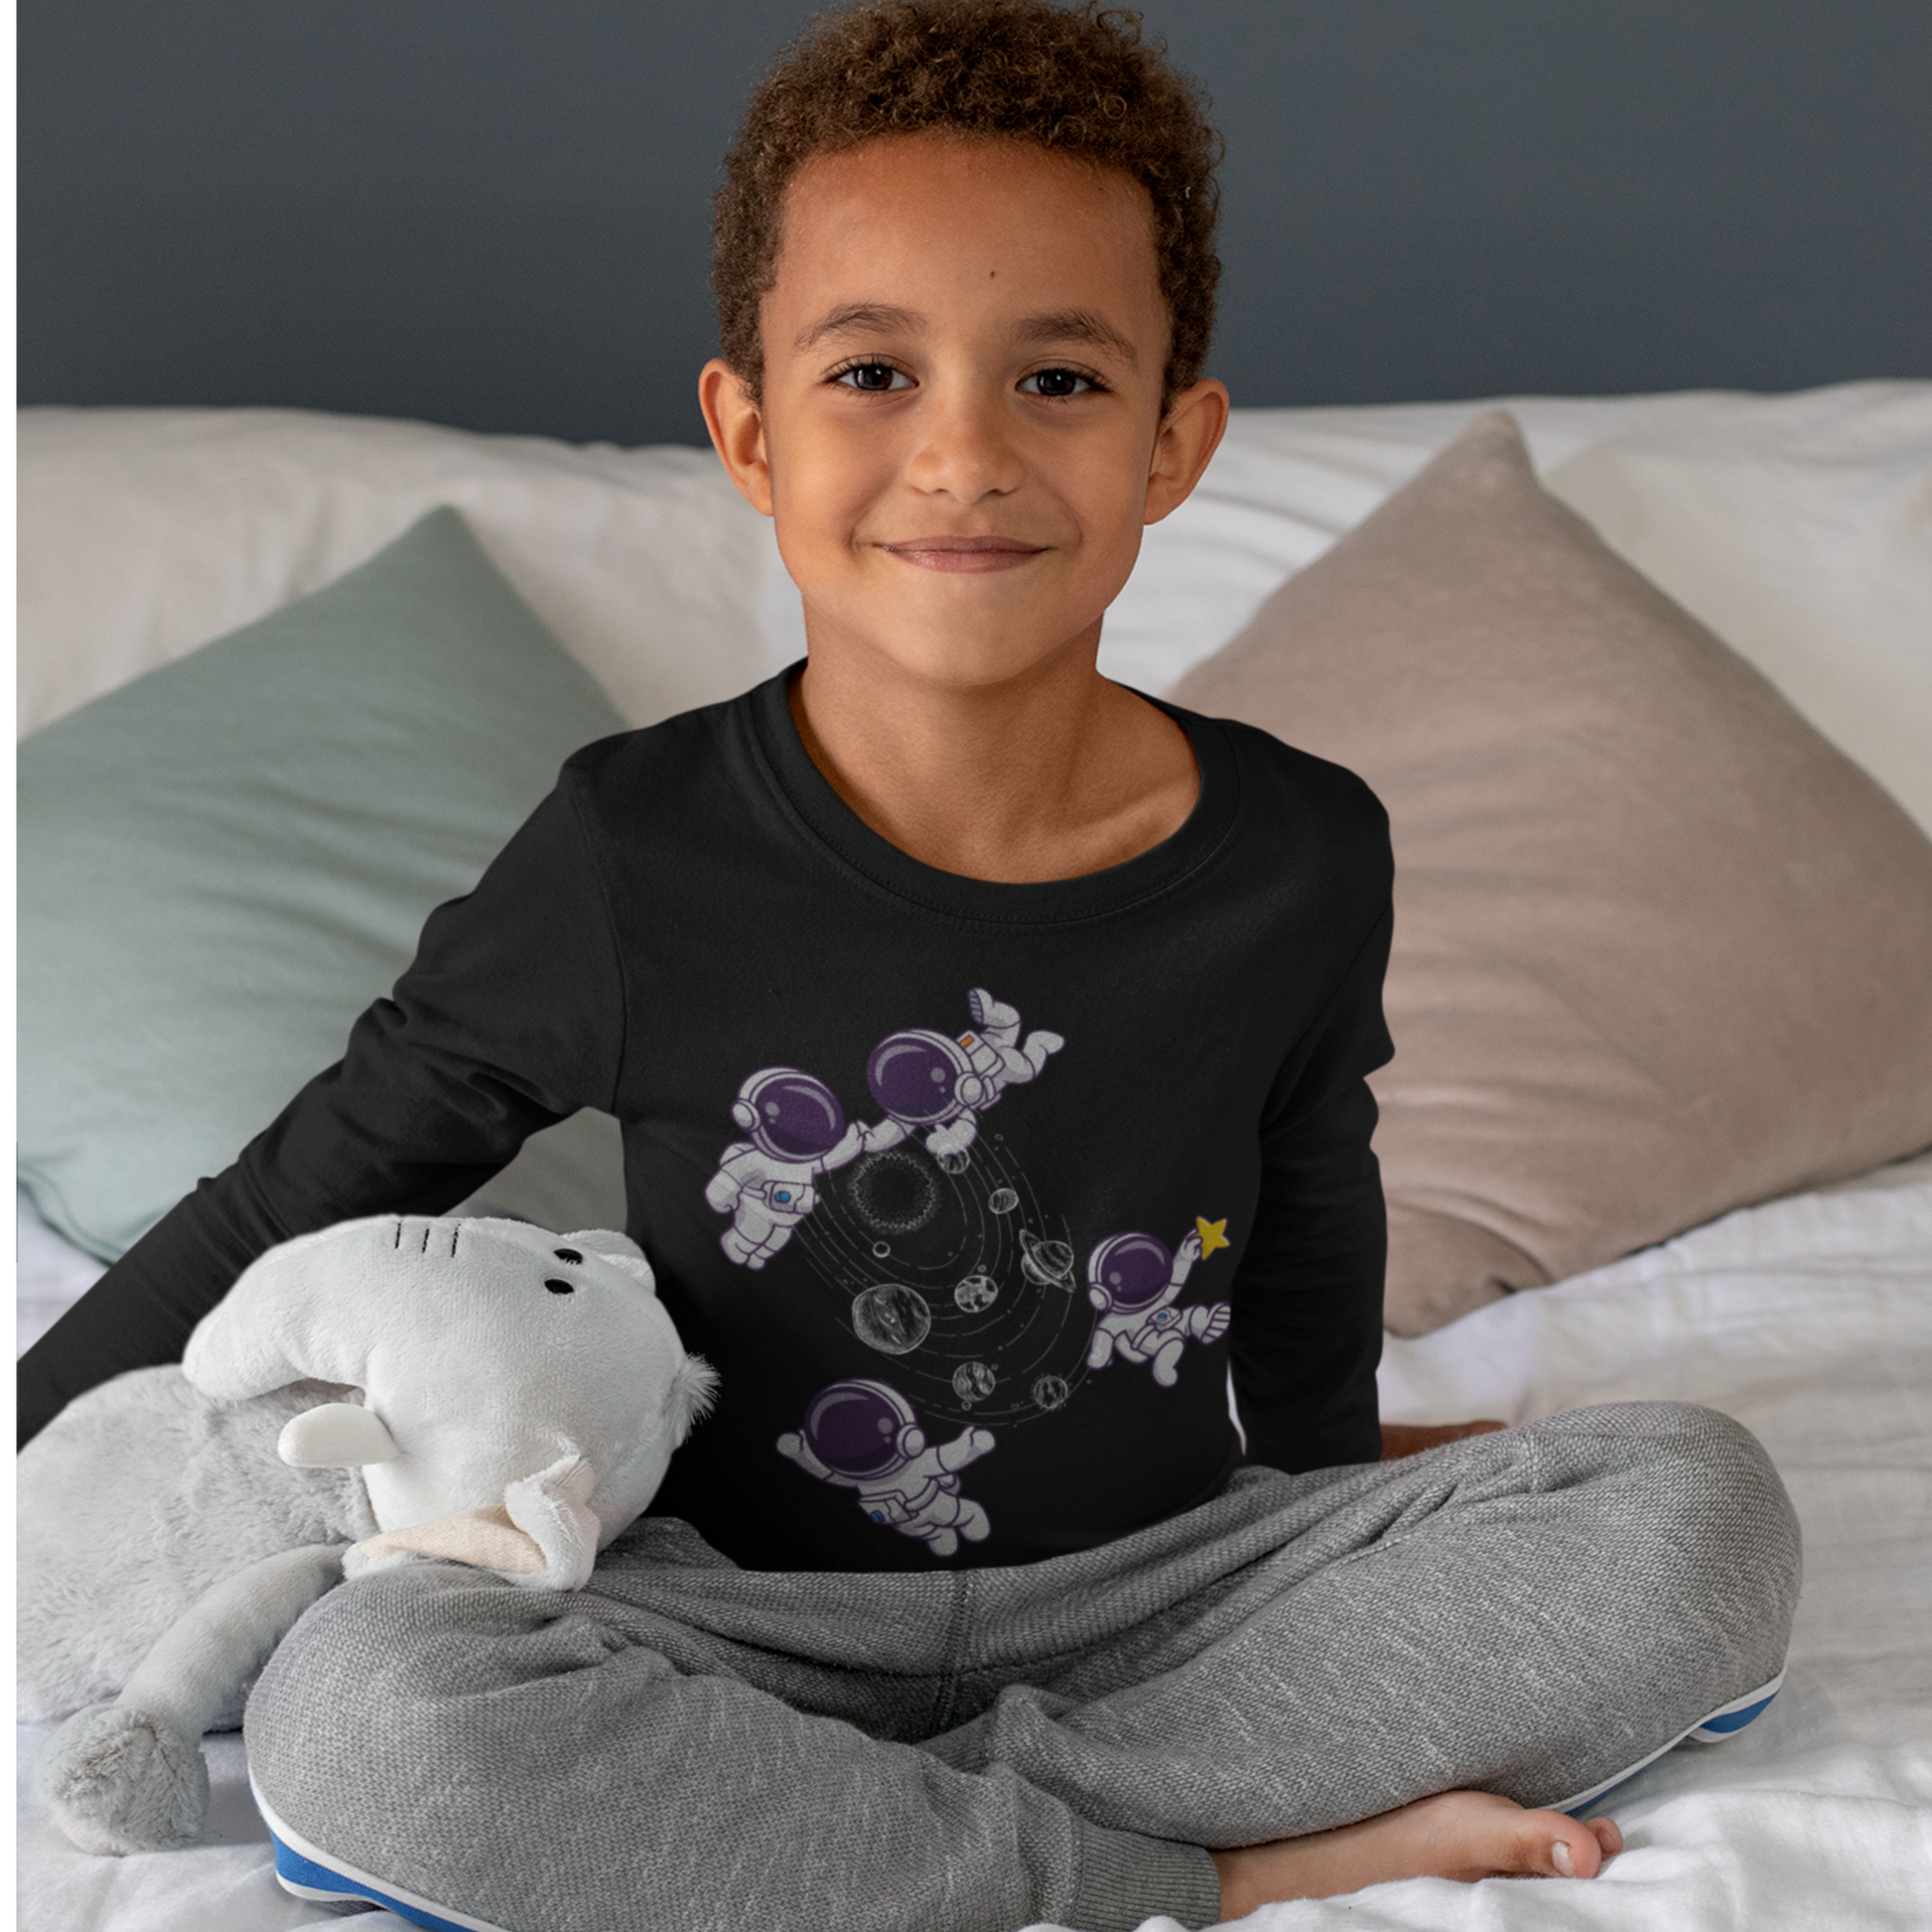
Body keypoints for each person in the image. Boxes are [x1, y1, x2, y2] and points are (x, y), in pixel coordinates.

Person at [14, 4, 1800, 1927]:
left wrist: (1334, 1490)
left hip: (1163, 1591)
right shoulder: (632, 850)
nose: (962, 452)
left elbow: (1304, 1211)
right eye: (873, 372)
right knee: (374, 1707)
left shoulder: (1300, 847)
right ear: (750, 433)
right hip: (716, 1604)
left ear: (1172, 442)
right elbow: (319, 1177)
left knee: (1692, 1509)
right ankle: (1190, 1863)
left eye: (1058, 378)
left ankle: (836, 1838)